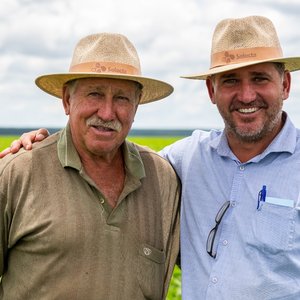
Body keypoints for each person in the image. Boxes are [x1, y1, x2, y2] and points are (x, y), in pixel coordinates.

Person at [6, 15, 300, 299]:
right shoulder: (184, 161)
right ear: (212, 90)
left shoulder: (166, 172)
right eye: (231, 81)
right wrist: (34, 152)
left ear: (285, 85)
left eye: (260, 78)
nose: (247, 95)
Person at [0, 32, 180, 299]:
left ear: (137, 104)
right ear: (67, 100)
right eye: (94, 94)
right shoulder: (17, 173)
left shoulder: (163, 179)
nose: (107, 113)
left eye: (121, 98)